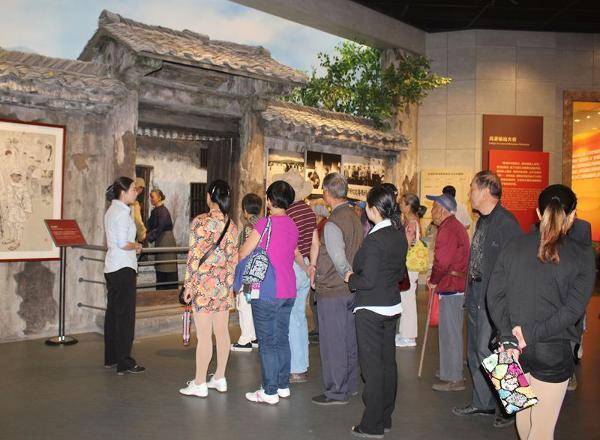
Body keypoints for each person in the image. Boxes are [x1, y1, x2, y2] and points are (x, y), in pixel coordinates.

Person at [487, 184, 595, 440]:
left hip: (508, 348)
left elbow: (494, 295)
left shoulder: (513, 245)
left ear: (538, 212)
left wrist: (508, 336)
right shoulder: (583, 255)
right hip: (552, 349)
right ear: (572, 215)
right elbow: (573, 310)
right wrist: (530, 335)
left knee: (522, 419)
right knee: (542, 429)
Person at [452, 170, 522, 428]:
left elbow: (514, 269)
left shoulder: (507, 224)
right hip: (476, 294)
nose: (469, 193)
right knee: (475, 352)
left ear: (484, 190)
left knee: (497, 352)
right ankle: (483, 402)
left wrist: (503, 305)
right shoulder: (483, 220)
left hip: (494, 300)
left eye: (472, 188)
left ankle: (513, 406)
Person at [344, 185, 407, 438]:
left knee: (372, 368)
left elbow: (367, 280)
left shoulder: (374, 240)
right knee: (387, 364)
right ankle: (385, 417)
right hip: (391, 305)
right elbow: (399, 273)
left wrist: (350, 278)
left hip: (371, 308)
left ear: (372, 209)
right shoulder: (398, 234)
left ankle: (372, 424)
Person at [240, 180, 305, 405]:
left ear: (269, 200)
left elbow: (244, 252)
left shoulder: (265, 223)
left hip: (267, 289)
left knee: (267, 341)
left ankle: (269, 391)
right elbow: (295, 253)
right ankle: (282, 385)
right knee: (281, 338)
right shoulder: (293, 225)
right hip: (288, 289)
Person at [179, 180, 239, 398]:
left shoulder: (200, 222)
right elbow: (234, 260)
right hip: (223, 286)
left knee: (204, 336)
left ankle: (199, 383)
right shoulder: (232, 226)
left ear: (210, 196)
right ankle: (220, 377)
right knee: (222, 332)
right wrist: (229, 285)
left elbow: (194, 256)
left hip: (203, 285)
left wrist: (188, 285)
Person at [312, 173, 363, 405]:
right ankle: (350, 385)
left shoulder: (333, 222)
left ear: (326, 193)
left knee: (333, 343)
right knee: (349, 341)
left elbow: (338, 258)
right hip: (350, 291)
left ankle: (336, 391)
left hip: (334, 288)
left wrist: (346, 274)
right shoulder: (354, 217)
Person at [274, 170, 317, 383]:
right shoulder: (309, 212)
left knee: (289, 318)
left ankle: (294, 368)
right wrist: (311, 267)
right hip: (306, 266)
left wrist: (302, 266)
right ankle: (301, 366)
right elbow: (315, 242)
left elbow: (292, 248)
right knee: (299, 317)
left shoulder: (287, 214)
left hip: (292, 266)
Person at [425, 193, 470, 392]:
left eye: (434, 207)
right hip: (455, 285)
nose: (432, 211)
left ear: (443, 209)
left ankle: (454, 377)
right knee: (451, 331)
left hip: (451, 285)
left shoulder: (448, 229)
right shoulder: (454, 226)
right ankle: (450, 369)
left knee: (450, 333)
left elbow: (442, 261)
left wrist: (434, 280)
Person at [103, 177, 145, 375]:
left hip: (113, 267)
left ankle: (111, 357)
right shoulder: (121, 214)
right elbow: (122, 243)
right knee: (125, 317)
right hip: (123, 268)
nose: (136, 192)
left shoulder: (112, 211)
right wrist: (136, 245)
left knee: (113, 314)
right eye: (133, 189)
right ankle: (124, 361)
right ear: (123, 192)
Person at [231, 193, 261, 352]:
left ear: (244, 210)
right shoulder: (262, 224)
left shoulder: (249, 227)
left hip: (248, 273)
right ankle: (254, 337)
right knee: (252, 304)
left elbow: (245, 252)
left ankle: (245, 340)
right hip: (259, 272)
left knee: (244, 305)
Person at [396, 193, 426, 348]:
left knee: (407, 300)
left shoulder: (411, 223)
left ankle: (409, 336)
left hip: (409, 265)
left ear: (408, 206)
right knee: (406, 299)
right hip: (410, 265)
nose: (400, 205)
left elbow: (406, 245)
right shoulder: (412, 221)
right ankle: (405, 333)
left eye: (402, 203)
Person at [146, 189, 178, 290]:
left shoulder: (163, 211)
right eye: (150, 197)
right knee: (161, 268)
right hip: (160, 240)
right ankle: (161, 290)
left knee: (168, 268)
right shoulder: (155, 211)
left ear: (159, 198)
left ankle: (170, 292)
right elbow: (150, 225)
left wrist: (148, 236)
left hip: (166, 241)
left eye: (153, 197)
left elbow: (160, 227)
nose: (151, 199)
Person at [132, 177, 147, 243]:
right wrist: (142, 234)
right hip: (131, 235)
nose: (141, 190)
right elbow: (137, 220)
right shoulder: (134, 202)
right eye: (141, 187)